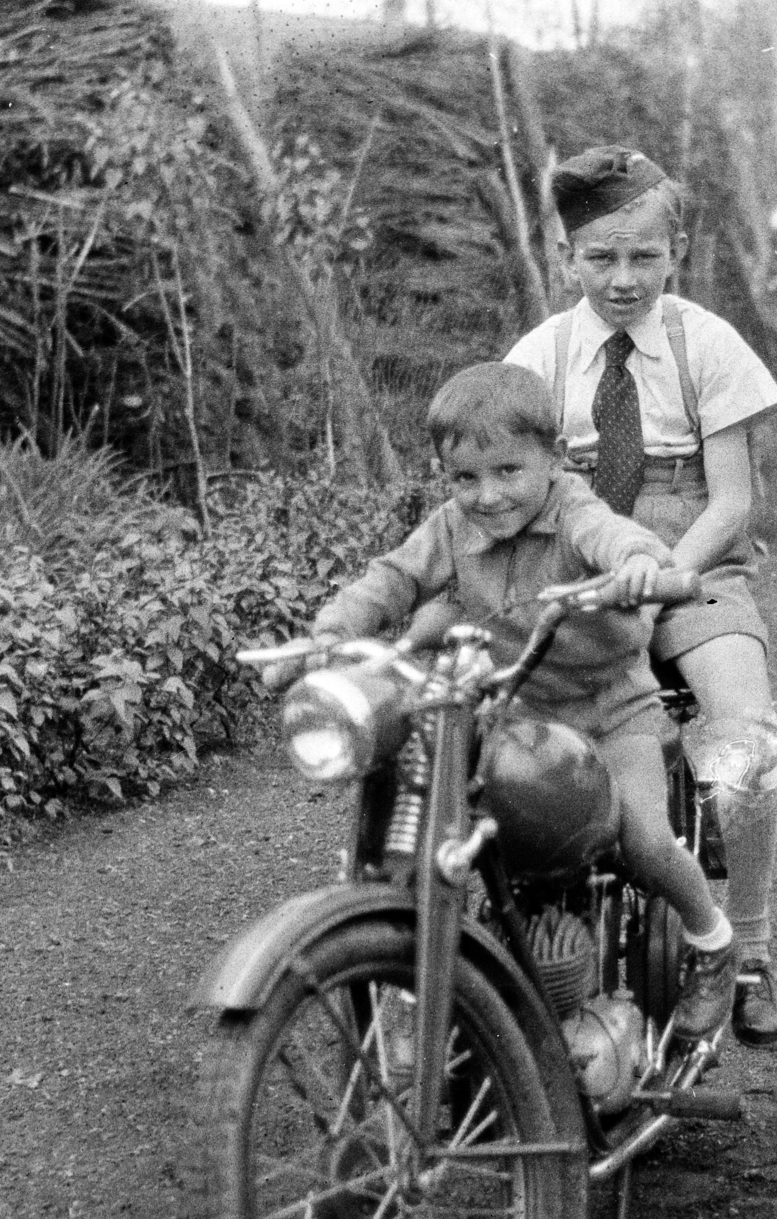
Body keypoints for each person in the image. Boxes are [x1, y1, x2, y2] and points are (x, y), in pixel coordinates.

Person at [306, 361, 738, 1041]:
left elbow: (616, 537)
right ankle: (453, 987)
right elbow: (393, 577)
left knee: (645, 840)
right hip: (517, 719)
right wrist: (334, 630)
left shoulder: (574, 512)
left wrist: (636, 567)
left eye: (508, 471)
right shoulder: (450, 528)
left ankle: (714, 943)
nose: (487, 495)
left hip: (611, 712)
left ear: (554, 459)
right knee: (448, 838)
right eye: (465, 478)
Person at [505, 144, 777, 1048]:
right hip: (579, 569)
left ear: (675, 255)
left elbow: (735, 499)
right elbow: (515, 492)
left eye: (643, 257)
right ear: (566, 260)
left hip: (697, 565)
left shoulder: (706, 344)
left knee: (745, 736)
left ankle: (745, 949)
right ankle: (521, 942)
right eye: (600, 258)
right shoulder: (541, 357)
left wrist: (669, 578)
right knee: (493, 725)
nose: (622, 279)